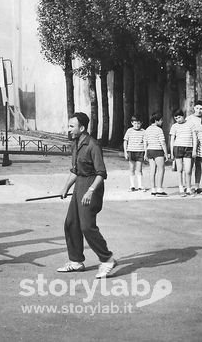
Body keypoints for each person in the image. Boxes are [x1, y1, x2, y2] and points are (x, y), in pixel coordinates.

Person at [57, 112, 116, 279]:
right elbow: (76, 171)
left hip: (92, 186)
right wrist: (66, 187)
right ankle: (76, 261)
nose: (68, 129)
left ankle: (107, 259)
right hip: (79, 186)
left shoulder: (93, 145)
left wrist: (90, 191)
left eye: (71, 126)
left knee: (87, 226)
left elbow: (101, 173)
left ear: (81, 128)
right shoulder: (75, 144)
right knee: (71, 223)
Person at [169, 109, 196, 197]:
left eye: (179, 117)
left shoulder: (190, 124)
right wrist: (172, 151)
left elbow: (194, 138)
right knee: (179, 169)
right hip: (178, 147)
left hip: (188, 148)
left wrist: (194, 149)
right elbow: (172, 139)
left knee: (188, 170)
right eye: (176, 118)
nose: (178, 120)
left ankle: (188, 187)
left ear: (183, 116)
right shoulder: (174, 126)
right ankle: (181, 187)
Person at [144, 112, 169, 196]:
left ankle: (153, 189)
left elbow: (145, 142)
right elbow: (163, 142)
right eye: (161, 120)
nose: (162, 122)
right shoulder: (159, 130)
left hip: (150, 150)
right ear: (156, 120)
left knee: (152, 170)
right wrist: (166, 153)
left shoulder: (147, 129)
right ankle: (159, 189)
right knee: (161, 169)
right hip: (158, 150)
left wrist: (145, 153)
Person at [123, 116, 145, 192]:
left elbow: (145, 142)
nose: (137, 125)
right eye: (135, 123)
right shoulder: (129, 131)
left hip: (140, 151)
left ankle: (140, 185)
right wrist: (125, 152)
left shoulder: (143, 131)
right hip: (131, 151)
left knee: (139, 169)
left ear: (141, 123)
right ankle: (132, 185)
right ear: (132, 123)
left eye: (138, 123)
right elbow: (125, 141)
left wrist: (145, 152)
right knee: (131, 168)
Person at [186, 100, 202, 189]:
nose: (199, 110)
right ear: (194, 108)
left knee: (199, 165)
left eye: (201, 109)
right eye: (197, 108)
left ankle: (197, 186)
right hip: (191, 144)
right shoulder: (189, 119)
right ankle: (188, 185)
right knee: (188, 166)